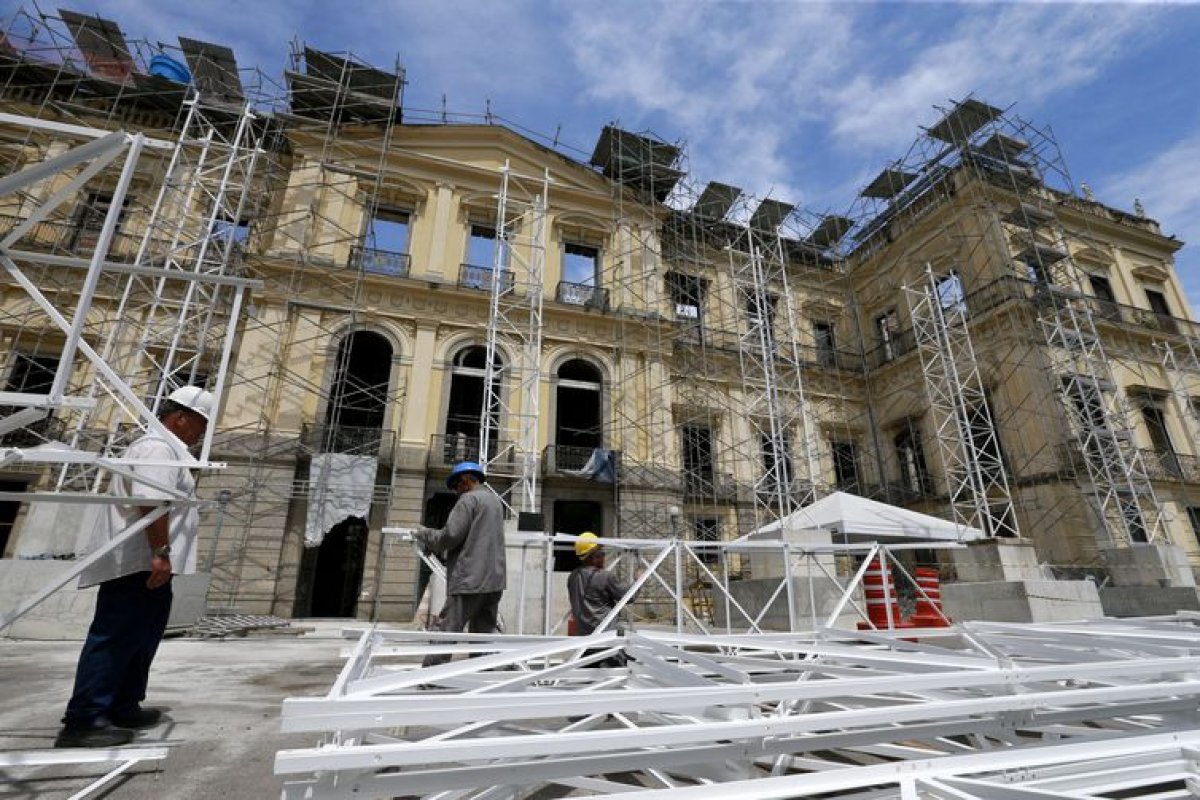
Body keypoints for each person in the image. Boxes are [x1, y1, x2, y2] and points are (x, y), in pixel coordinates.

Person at [56, 386, 213, 748]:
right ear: (181, 418)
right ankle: (85, 717)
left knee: (141, 638)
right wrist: (160, 551)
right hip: (138, 563)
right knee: (115, 636)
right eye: (200, 424)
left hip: (151, 564)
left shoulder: (166, 447)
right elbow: (151, 500)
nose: (201, 433)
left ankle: (124, 704)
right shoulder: (156, 447)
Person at [414, 461, 506, 668]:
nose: (455, 492)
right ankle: (483, 673)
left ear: (465, 480)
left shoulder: (468, 500)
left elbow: (449, 537)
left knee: (447, 628)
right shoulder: (495, 501)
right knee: (483, 633)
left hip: (469, 580)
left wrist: (424, 533)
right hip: (494, 580)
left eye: (455, 486)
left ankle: (430, 676)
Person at [567, 532, 631, 642]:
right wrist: (639, 580)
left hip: (582, 639)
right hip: (605, 639)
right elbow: (629, 596)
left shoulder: (573, 576)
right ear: (593, 556)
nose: (604, 557)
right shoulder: (605, 577)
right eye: (601, 553)